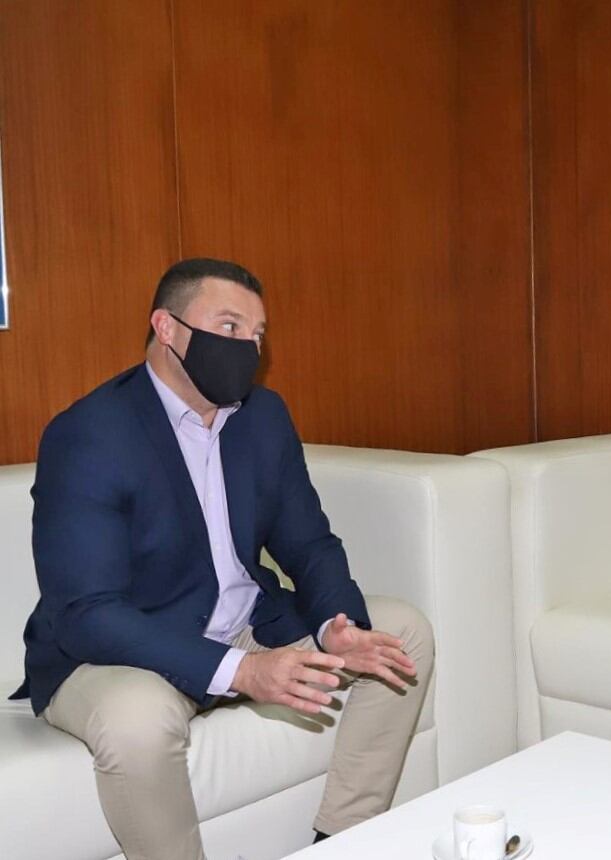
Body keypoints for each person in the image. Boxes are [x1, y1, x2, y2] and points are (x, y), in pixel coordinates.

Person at [10, 258, 435, 859]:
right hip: (121, 649)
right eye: (230, 328)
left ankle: (342, 840)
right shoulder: (89, 434)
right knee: (137, 724)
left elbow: (308, 542)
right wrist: (240, 672)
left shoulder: (262, 417)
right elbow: (86, 611)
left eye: (257, 336)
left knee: (401, 632)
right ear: (167, 327)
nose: (248, 348)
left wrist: (337, 626)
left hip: (246, 624)